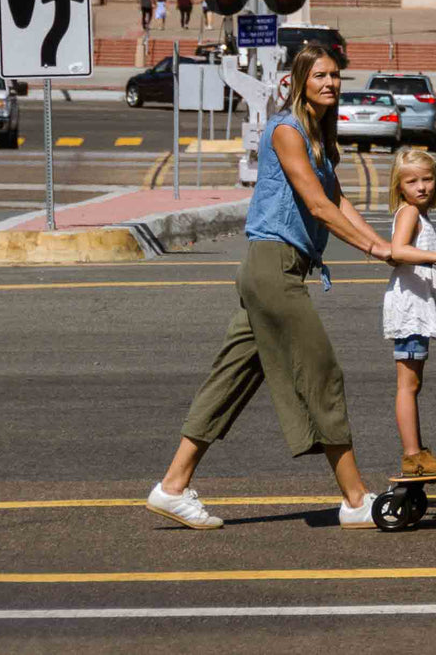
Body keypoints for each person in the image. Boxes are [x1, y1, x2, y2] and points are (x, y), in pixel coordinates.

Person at [146, 45, 395, 530]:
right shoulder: (286, 130)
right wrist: (376, 251)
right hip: (272, 269)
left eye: (336, 76)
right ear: (299, 80)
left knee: (231, 380)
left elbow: (337, 199)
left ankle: (172, 486)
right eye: (320, 75)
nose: (331, 83)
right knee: (321, 373)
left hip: (278, 269)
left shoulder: (319, 136)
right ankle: (355, 498)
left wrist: (381, 244)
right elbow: (318, 206)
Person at [382, 149, 436, 479]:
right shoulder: (409, 214)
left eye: (427, 179)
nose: (422, 187)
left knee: (413, 383)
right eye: (412, 181)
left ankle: (416, 452)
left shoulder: (420, 214)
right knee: (408, 385)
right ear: (399, 186)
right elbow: (398, 250)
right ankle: (412, 455)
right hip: (410, 310)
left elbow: (421, 249)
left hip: (415, 306)